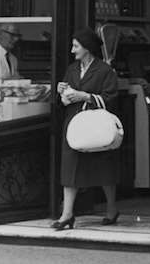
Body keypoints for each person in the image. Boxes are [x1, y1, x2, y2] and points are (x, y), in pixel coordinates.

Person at [51, 26, 120, 229]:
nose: (72, 50)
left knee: (104, 167)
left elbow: (112, 99)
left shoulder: (105, 71)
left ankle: (111, 209)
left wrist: (86, 96)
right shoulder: (72, 69)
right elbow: (61, 101)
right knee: (70, 167)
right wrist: (61, 92)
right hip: (74, 124)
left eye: (76, 46)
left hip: (97, 126)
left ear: (87, 48)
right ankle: (67, 214)